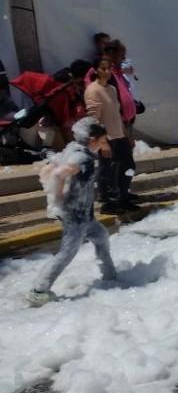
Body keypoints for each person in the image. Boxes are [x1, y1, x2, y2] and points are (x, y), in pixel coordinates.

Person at [27, 118, 116, 307]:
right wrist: (57, 201)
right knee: (67, 253)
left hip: (85, 215)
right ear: (92, 139)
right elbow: (59, 174)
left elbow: (49, 167)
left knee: (101, 237)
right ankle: (39, 290)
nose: (103, 145)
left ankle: (111, 277)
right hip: (75, 216)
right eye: (101, 141)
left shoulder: (73, 148)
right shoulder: (81, 157)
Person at [84, 56, 138, 214]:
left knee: (128, 166)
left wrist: (126, 133)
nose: (107, 72)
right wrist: (102, 142)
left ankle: (123, 197)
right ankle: (108, 202)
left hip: (119, 134)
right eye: (103, 69)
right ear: (96, 70)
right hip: (106, 138)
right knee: (107, 171)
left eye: (109, 68)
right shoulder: (93, 91)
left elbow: (116, 113)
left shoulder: (111, 89)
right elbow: (94, 119)